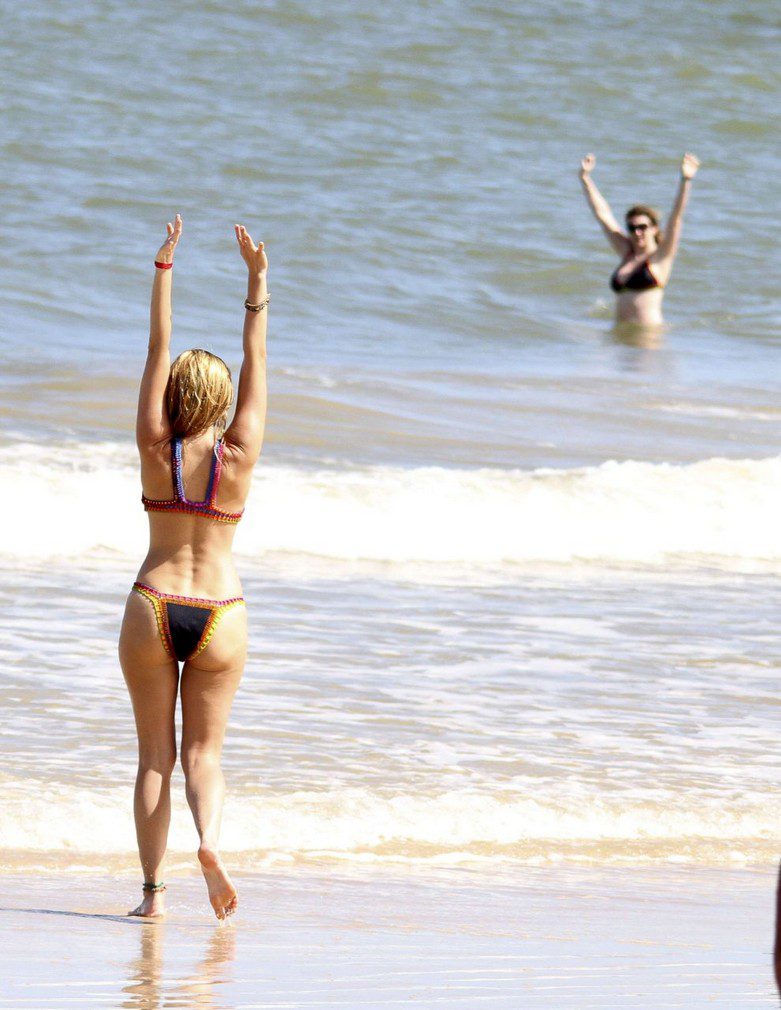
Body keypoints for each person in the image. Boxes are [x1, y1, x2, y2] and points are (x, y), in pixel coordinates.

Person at [118, 214, 269, 919]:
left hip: (153, 602)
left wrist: (164, 268)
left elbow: (158, 346)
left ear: (177, 395)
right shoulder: (240, 455)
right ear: (224, 400)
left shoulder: (155, 447)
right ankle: (208, 842)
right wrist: (256, 282)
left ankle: (152, 896)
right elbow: (255, 357)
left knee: (155, 756)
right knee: (205, 756)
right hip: (221, 612)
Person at [579, 152, 700, 326]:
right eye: (632, 228)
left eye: (642, 227)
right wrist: (585, 178)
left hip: (649, 336)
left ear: (654, 228)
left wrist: (685, 181)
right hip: (619, 335)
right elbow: (603, 215)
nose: (637, 232)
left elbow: (676, 219)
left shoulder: (661, 256)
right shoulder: (626, 253)